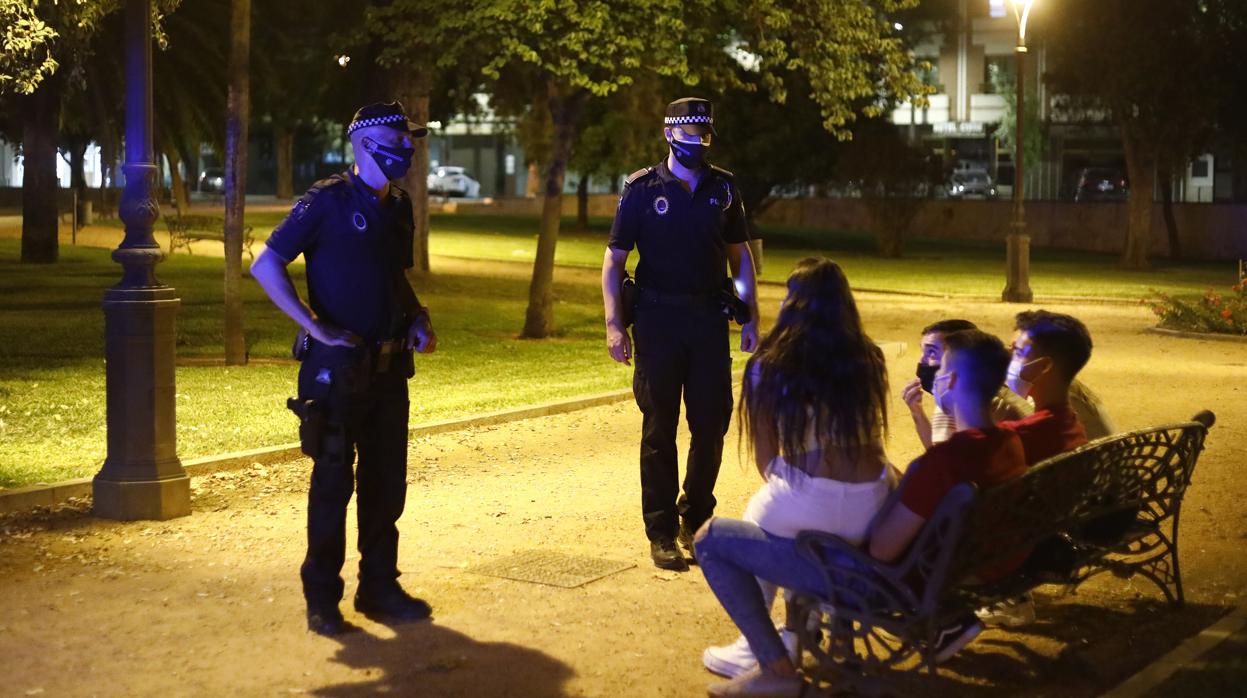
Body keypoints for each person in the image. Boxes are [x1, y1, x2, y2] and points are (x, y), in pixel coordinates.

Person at [251, 101, 438, 636]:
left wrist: (417, 316)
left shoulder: (399, 207)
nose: (407, 148)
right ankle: (321, 599)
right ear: (364, 144)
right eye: (397, 139)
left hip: (388, 369)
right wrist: (313, 325)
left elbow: (392, 276)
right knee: (333, 483)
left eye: (410, 140)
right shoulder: (326, 202)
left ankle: (379, 587)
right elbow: (265, 264)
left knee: (386, 484)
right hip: (336, 371)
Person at [693, 258, 894, 697]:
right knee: (773, 512)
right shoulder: (869, 358)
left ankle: (768, 656)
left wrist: (792, 484)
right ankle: (826, 632)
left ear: (792, 302)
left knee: (743, 524)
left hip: (812, 503)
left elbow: (768, 460)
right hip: (871, 502)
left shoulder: (772, 363)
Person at [602, 97, 760, 571]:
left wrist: (751, 315)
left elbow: (740, 257)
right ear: (670, 134)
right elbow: (614, 261)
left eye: (704, 136)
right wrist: (614, 324)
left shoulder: (724, 189)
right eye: (690, 135)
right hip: (656, 322)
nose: (699, 144)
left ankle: (696, 517)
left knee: (711, 423)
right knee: (659, 429)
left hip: (708, 322)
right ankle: (661, 531)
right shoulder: (642, 189)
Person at [869, 329, 1027, 663]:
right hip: (987, 556)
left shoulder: (944, 461)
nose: (934, 377)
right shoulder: (1010, 441)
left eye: (939, 371)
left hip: (935, 572)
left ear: (951, 380)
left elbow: (882, 550)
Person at [978, 310, 1096, 627]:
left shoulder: (1025, 432)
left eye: (1017, 352)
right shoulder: (1067, 420)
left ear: (1043, 367)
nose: (1006, 358)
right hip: (1046, 524)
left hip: (1008, 546)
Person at [900, 319, 1031, 449]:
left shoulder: (959, 402)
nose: (922, 360)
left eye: (932, 353)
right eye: (923, 351)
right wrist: (917, 412)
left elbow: (944, 462)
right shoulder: (993, 390)